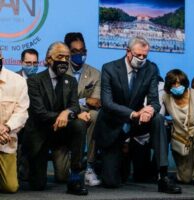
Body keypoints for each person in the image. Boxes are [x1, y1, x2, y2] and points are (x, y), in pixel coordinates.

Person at [94, 36, 181, 194]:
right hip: (114, 124)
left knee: (158, 119)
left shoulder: (151, 69)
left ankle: (163, 176)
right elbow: (107, 103)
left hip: (137, 124)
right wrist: (133, 113)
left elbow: (155, 101)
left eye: (145, 56)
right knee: (111, 182)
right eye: (138, 55)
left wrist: (149, 110)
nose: (141, 59)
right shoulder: (109, 68)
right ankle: (103, 161)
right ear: (128, 52)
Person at [23, 42, 88, 195]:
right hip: (40, 135)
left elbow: (75, 107)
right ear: (48, 59)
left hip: (61, 134)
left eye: (67, 57)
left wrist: (66, 113)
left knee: (79, 124)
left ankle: (75, 178)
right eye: (60, 57)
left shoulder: (70, 81)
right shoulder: (33, 81)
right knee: (38, 185)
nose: (64, 61)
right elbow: (39, 113)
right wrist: (62, 114)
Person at [64, 32, 101, 186]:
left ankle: (89, 167)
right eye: (75, 51)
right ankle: (70, 162)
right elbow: (61, 102)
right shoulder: (61, 70)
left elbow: (97, 102)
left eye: (83, 51)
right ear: (67, 52)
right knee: (61, 176)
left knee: (95, 115)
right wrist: (84, 101)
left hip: (86, 115)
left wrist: (81, 104)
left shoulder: (95, 73)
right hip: (66, 115)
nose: (80, 54)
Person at [163, 69, 194, 186]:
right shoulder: (166, 97)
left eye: (179, 83)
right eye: (173, 83)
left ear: (185, 83)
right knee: (184, 178)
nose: (177, 86)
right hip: (180, 137)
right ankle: (190, 174)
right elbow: (159, 113)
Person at [0, 52, 29, 193]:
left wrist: (6, 127)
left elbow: (22, 113)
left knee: (10, 187)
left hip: (6, 141)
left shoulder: (18, 81)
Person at [16, 48, 39, 181]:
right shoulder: (13, 79)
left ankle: (29, 170)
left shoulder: (41, 80)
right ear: (21, 62)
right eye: (28, 63)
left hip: (35, 123)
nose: (32, 66)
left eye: (35, 63)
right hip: (16, 123)